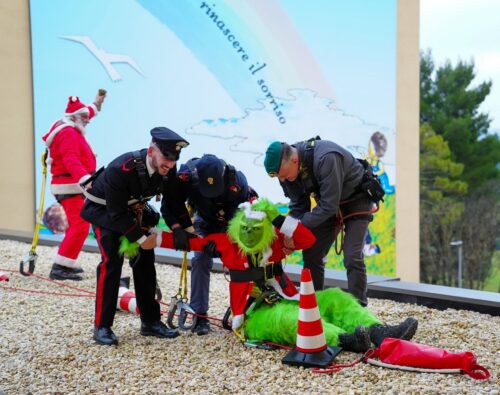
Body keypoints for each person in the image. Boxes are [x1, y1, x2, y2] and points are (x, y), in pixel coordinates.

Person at [154, 198, 417, 352]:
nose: (249, 234)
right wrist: (143, 237)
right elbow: (184, 242)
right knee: (289, 320)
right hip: (253, 315)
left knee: (335, 298)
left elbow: (307, 238)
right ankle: (347, 339)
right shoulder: (226, 242)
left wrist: (278, 218)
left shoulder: (275, 239)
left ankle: (380, 332)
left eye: (256, 228)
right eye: (245, 228)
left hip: (287, 297)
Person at [80, 127, 193, 346]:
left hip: (132, 212)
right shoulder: (121, 169)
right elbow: (116, 214)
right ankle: (102, 326)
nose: (170, 164)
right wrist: (142, 239)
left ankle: (150, 322)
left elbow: (173, 201)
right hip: (105, 213)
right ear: (151, 151)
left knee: (145, 262)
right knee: (111, 262)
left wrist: (186, 230)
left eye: (173, 159)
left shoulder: (167, 168)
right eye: (166, 157)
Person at [263, 137, 385, 306]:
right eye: (279, 177)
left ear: (294, 160)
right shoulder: (286, 171)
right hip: (329, 205)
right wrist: (290, 232)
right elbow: (299, 206)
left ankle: (359, 311)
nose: (283, 180)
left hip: (356, 199)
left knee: (352, 256)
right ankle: (314, 306)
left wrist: (295, 227)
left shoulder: (326, 158)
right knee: (312, 252)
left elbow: (328, 205)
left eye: (284, 176)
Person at [161, 154, 258, 335]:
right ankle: (199, 315)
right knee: (200, 259)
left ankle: (244, 311)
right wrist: (178, 229)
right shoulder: (187, 177)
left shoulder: (237, 181)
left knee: (244, 263)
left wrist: (226, 241)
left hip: (231, 225)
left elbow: (247, 216)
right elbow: (169, 203)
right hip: (204, 223)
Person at [42, 91, 106, 281]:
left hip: (71, 185)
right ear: (75, 118)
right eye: (84, 117)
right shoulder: (68, 133)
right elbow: (71, 159)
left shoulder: (71, 124)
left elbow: (86, 112)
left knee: (79, 225)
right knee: (79, 225)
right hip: (69, 186)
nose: (88, 120)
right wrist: (86, 181)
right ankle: (60, 267)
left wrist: (97, 103)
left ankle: (65, 263)